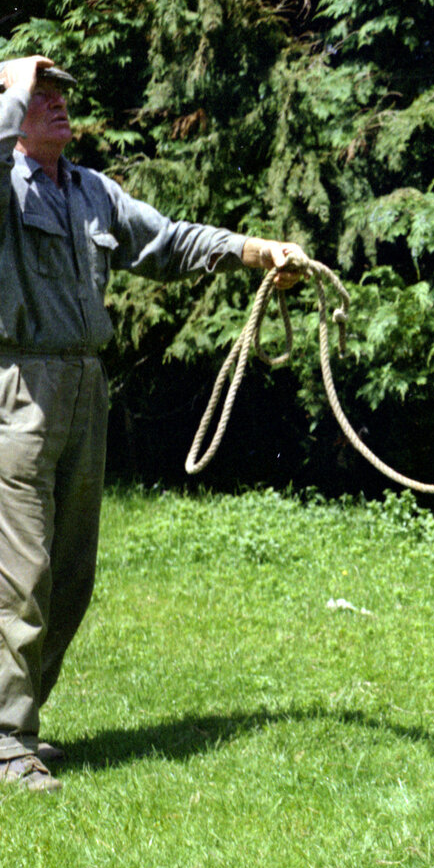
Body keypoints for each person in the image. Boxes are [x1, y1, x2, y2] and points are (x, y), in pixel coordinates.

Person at [0, 53, 310, 791]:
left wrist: (251, 250)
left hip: (83, 383)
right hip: (17, 383)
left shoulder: (90, 190)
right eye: (42, 95)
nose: (58, 105)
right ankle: (8, 742)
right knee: (21, 571)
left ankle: (18, 724)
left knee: (71, 572)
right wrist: (9, 84)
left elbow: (165, 242)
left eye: (62, 94)